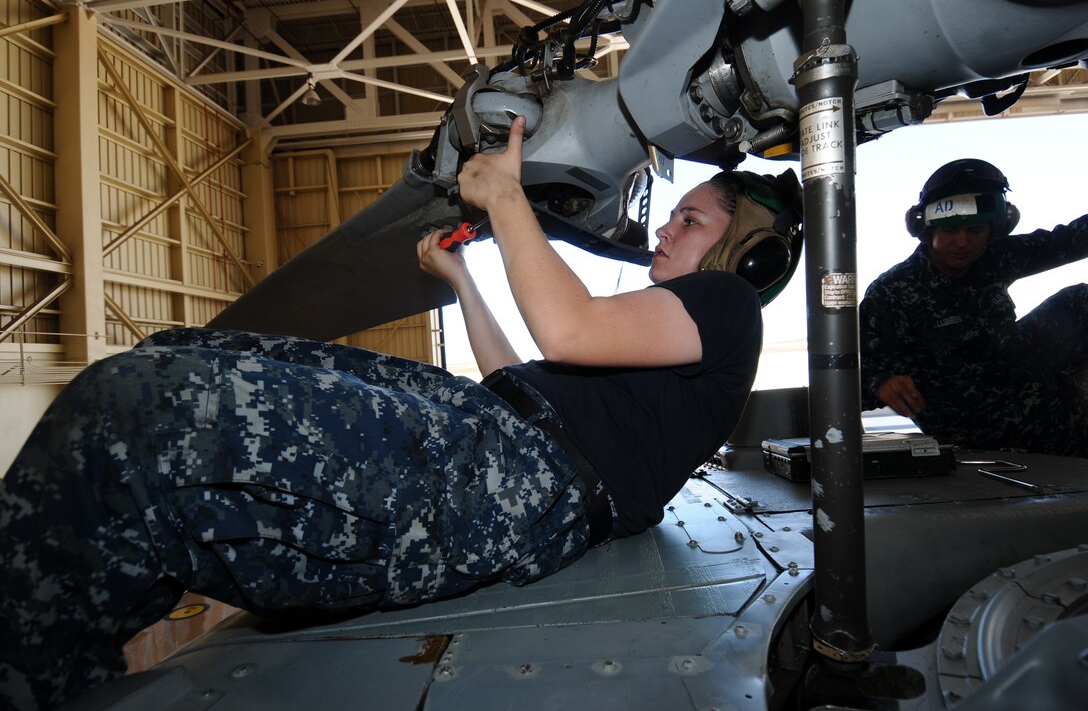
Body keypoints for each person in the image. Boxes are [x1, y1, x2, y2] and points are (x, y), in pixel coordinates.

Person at [0, 115, 799, 710]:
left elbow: (568, 324)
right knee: (173, 358)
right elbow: (521, 374)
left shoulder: (727, 303)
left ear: (747, 254)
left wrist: (508, 196)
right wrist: (462, 280)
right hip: (498, 430)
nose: (664, 226)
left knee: (139, 413)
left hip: (519, 473)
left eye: (690, 220)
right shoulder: (664, 348)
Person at [859, 157, 1088, 456]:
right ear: (927, 230)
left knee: (1080, 300)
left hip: (1042, 401)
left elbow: (1068, 241)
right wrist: (879, 382)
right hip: (977, 435)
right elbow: (847, 368)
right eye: (950, 231)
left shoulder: (994, 258)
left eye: (975, 231)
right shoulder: (891, 292)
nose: (962, 242)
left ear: (993, 230)